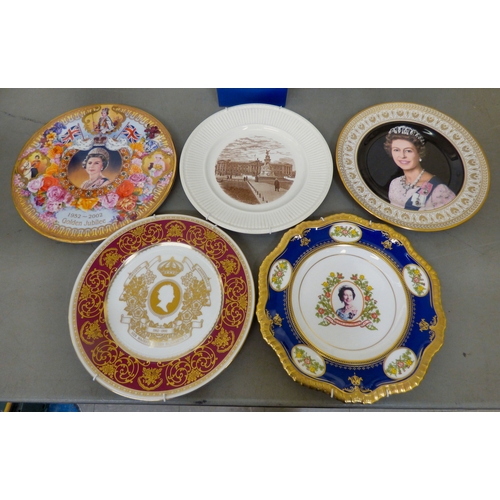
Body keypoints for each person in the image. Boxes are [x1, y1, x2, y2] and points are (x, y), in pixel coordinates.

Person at [384, 125, 456, 210]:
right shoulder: (395, 183)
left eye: (408, 151)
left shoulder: (439, 189)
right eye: (396, 150)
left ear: (419, 153)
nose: (402, 156)